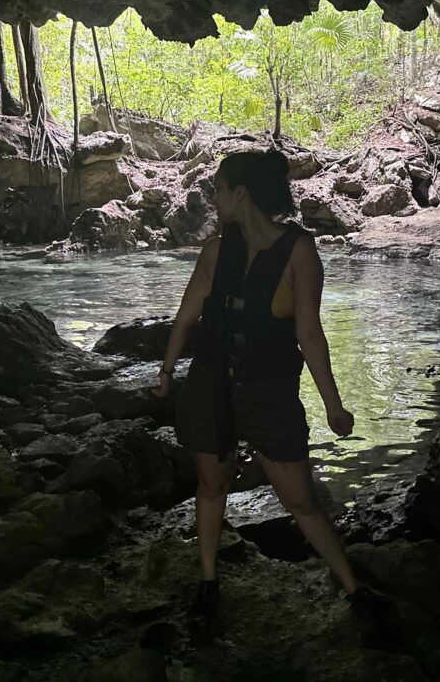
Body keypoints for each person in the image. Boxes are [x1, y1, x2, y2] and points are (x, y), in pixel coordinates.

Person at [152, 150, 393, 632]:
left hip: (270, 392)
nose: (213, 196)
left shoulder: (299, 252)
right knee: (211, 486)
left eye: (218, 188)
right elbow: (186, 316)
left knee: (301, 500)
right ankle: (208, 582)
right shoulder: (216, 252)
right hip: (210, 384)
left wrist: (333, 404)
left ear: (240, 193)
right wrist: (167, 369)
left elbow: (310, 335)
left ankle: (354, 587)